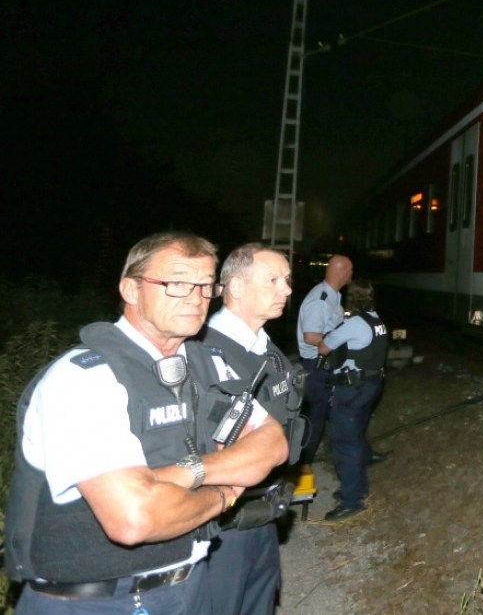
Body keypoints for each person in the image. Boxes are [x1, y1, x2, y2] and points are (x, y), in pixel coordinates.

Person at [5, 231, 289, 615]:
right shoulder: (84, 378)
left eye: (205, 285)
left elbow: (273, 442)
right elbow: (136, 517)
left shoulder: (205, 364)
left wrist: (187, 472)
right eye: (176, 283)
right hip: (95, 601)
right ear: (130, 289)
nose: (194, 296)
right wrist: (223, 494)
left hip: (190, 587)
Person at [200, 243, 306, 615]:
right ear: (237, 287)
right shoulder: (203, 352)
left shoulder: (266, 347)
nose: (287, 290)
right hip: (222, 521)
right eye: (273, 280)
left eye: (287, 280)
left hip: (264, 512)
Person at [317, 279, 390, 522]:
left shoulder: (355, 324)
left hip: (352, 388)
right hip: (371, 385)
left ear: (351, 299)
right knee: (355, 434)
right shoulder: (377, 321)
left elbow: (325, 347)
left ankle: (352, 500)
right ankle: (356, 486)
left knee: (344, 443)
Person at [294, 254, 352, 467]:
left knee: (338, 415)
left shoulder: (333, 297)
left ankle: (351, 457)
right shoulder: (320, 300)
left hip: (328, 368)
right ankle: (302, 466)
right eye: (350, 270)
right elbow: (311, 336)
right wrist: (340, 344)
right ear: (342, 271)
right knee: (315, 420)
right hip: (316, 369)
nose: (352, 274)